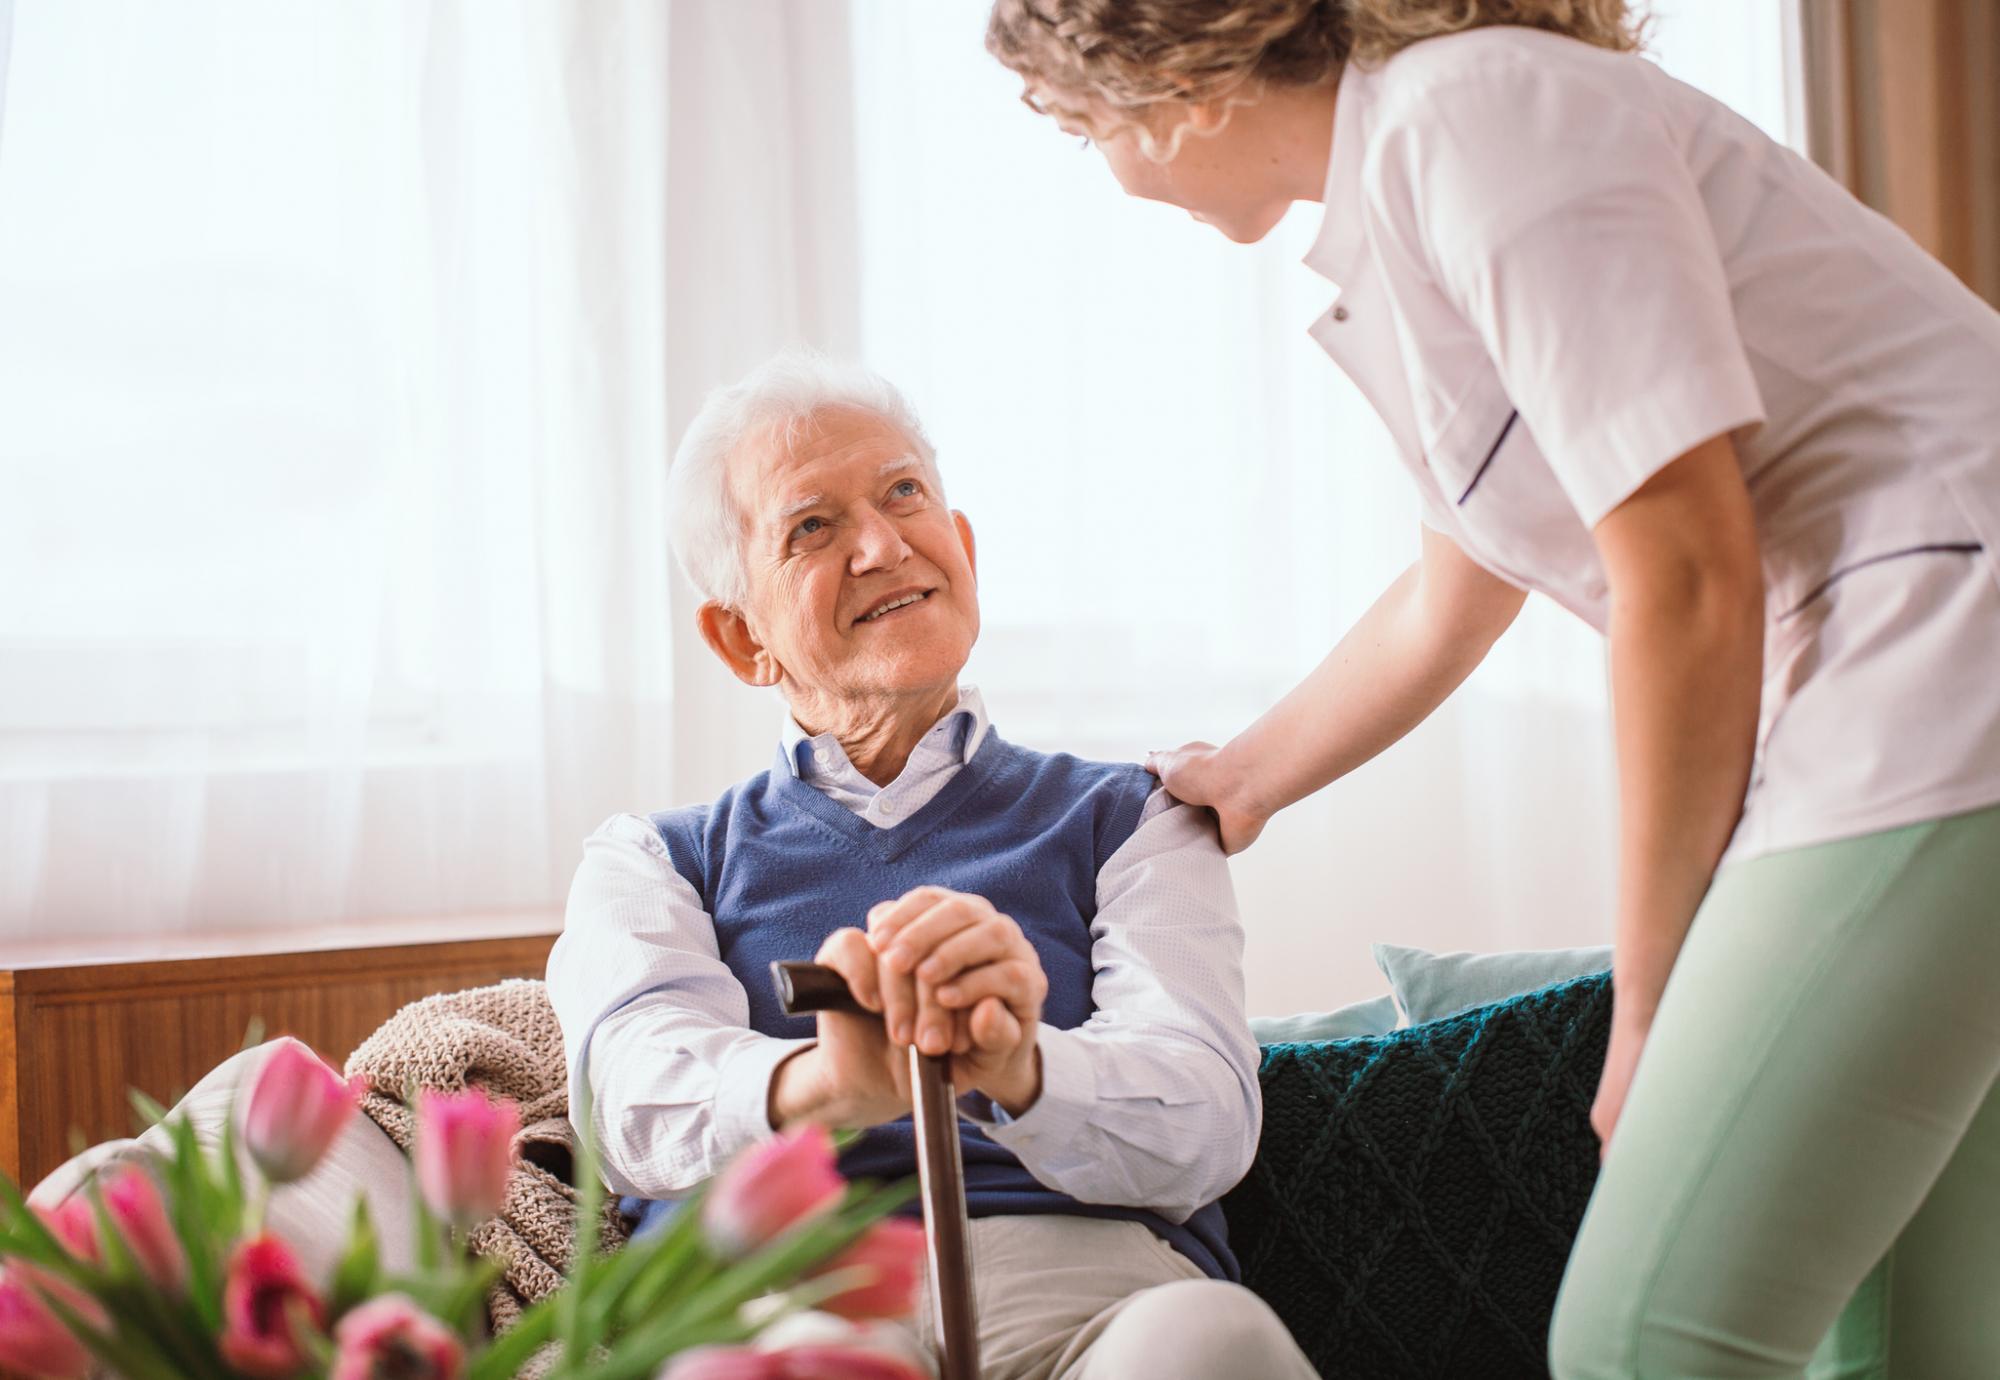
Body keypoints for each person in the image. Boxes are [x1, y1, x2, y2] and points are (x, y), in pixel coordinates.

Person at [986, 2, 2000, 1376]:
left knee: (1645, 1339)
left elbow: (1686, 570)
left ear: (1175, 88)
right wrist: (1249, 775)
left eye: (1084, 124)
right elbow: (1460, 580)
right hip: (1908, 686)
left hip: (1942, 668)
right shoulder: (1411, 197)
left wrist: (1654, 997)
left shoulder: (1473, 118)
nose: (1108, 167)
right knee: (1900, 1345)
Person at [545, 352, 1318, 1380]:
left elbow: (1207, 1117)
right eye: (811, 527)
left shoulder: (1136, 817)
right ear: (742, 639)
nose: (880, 545)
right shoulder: (652, 861)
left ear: (959, 547)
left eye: (903, 493)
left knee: (1210, 1342)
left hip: (1087, 1291)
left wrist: (1019, 1067)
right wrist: (822, 1083)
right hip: (781, 1297)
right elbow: (630, 1105)